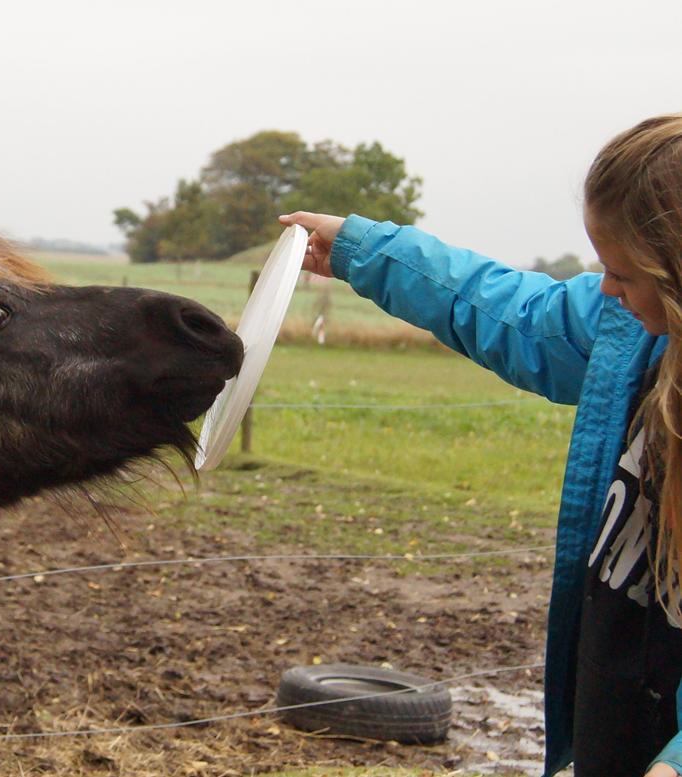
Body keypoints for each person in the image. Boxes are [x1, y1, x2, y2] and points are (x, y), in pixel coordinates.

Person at [279, 113, 682, 777]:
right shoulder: (633, 330)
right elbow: (519, 316)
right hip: (614, 725)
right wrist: (364, 249)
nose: (606, 288)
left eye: (622, 271)